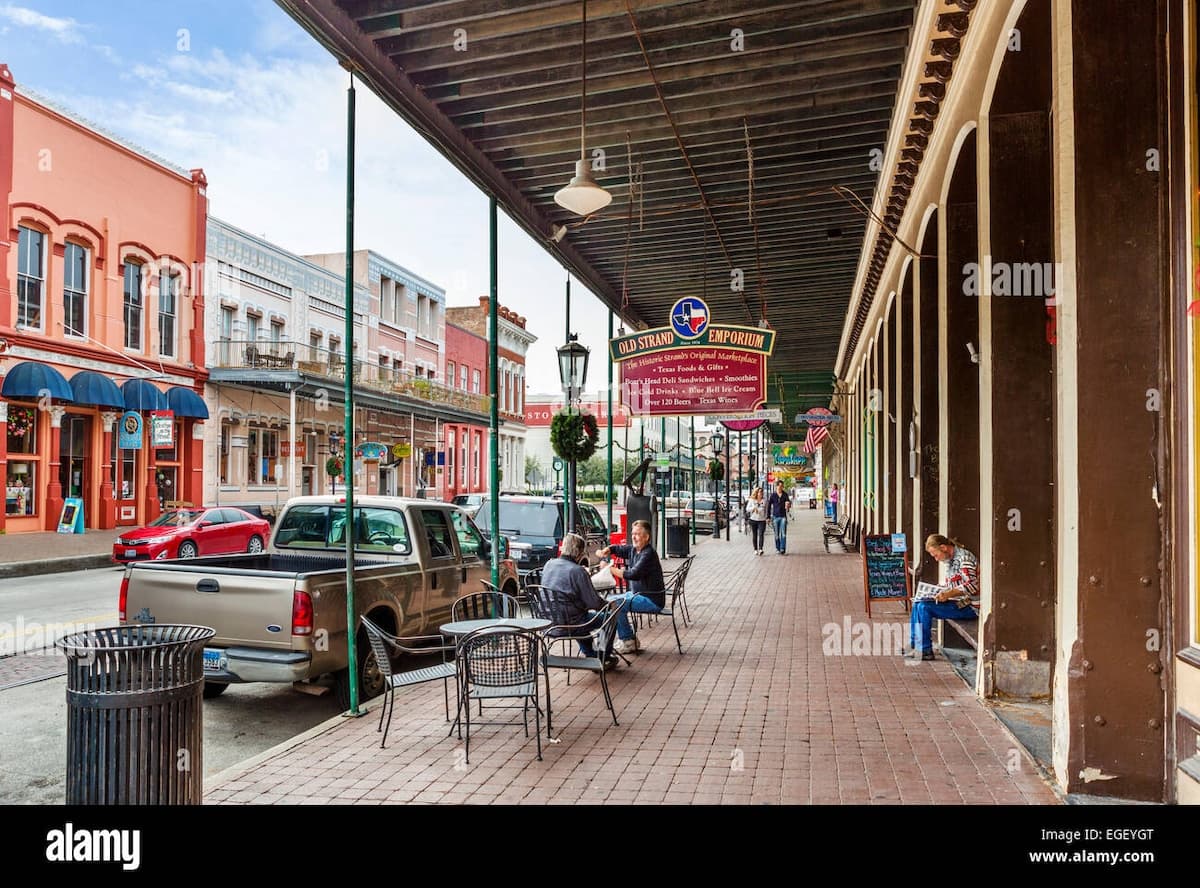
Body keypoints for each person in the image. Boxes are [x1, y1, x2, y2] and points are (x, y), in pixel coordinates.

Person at [540, 533, 617, 669]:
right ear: (580, 553)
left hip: (547, 621)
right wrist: (610, 605)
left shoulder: (549, 564)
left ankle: (591, 654)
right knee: (608, 617)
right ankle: (603, 657)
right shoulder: (577, 571)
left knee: (579, 614)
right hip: (570, 623)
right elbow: (594, 603)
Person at [907, 534, 980, 661]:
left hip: (969, 605)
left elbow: (972, 586)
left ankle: (924, 650)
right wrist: (936, 591)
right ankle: (915, 644)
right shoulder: (950, 560)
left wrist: (948, 594)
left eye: (935, 555)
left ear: (943, 547)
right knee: (918, 603)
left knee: (924, 608)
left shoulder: (964, 559)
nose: (936, 559)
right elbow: (951, 584)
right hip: (957, 602)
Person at [599, 519, 665, 654]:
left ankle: (627, 640)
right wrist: (608, 549)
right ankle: (619, 640)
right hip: (636, 594)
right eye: (633, 533)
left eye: (638, 534)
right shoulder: (634, 550)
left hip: (651, 600)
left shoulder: (648, 554)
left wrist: (609, 569)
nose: (634, 537)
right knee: (609, 600)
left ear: (646, 537)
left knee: (615, 603)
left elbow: (633, 574)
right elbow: (619, 549)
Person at [767, 481, 791, 554]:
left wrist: (788, 505)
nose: (781, 487)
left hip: (783, 516)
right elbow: (768, 506)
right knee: (776, 534)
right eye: (780, 486)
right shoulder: (773, 495)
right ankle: (778, 548)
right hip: (775, 517)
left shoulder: (785, 494)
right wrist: (768, 517)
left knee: (783, 533)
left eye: (782, 486)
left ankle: (782, 548)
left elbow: (788, 504)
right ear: (776, 486)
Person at [746, 486, 767, 555]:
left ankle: (761, 549)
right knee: (754, 535)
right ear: (757, 493)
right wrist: (754, 508)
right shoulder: (752, 500)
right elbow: (747, 509)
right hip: (753, 520)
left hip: (762, 520)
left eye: (762, 492)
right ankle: (755, 549)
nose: (761, 493)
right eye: (760, 492)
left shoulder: (764, 500)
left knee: (761, 534)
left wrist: (767, 518)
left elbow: (766, 510)